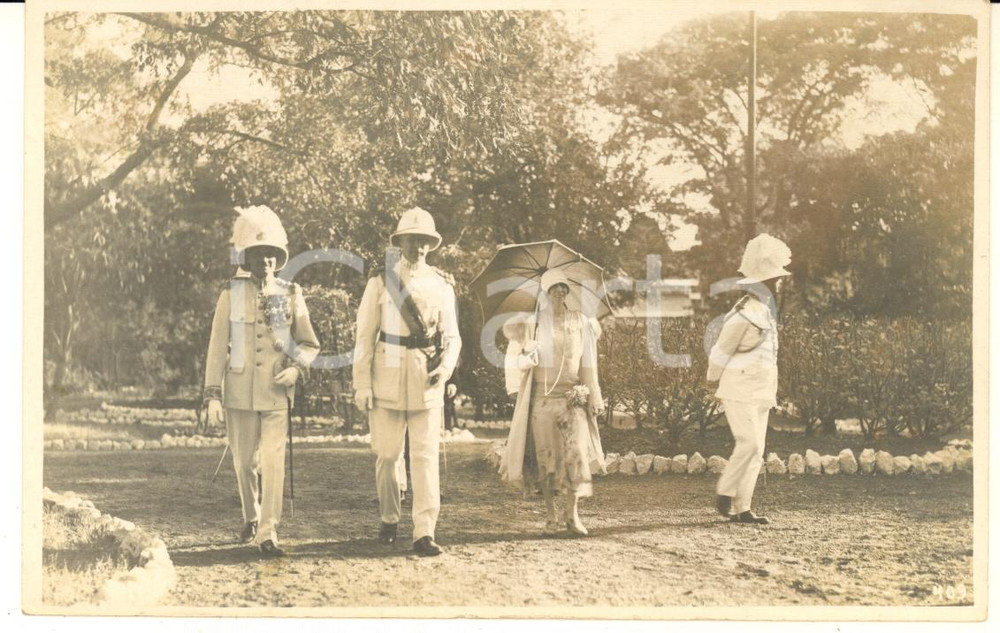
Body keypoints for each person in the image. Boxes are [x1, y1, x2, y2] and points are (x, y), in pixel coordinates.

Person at [203, 206, 320, 556]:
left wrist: (297, 368)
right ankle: (251, 515)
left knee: (272, 462)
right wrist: (212, 395)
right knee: (243, 463)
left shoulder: (292, 294)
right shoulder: (230, 294)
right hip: (238, 391)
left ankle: (268, 533)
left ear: (278, 258)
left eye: (271, 254)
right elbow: (215, 348)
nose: (265, 260)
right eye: (258, 254)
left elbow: (311, 344)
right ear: (246, 257)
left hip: (275, 392)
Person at [352, 207, 461, 556]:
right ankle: (388, 517)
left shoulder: (441, 285)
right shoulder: (380, 281)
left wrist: (445, 369)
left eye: (425, 241)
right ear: (400, 242)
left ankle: (424, 531)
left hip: (425, 378)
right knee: (386, 455)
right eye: (411, 240)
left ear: (432, 245)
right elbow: (364, 336)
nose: (418, 248)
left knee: (426, 457)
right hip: (385, 375)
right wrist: (361, 385)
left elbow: (453, 338)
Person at [500, 269, 606, 536]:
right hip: (542, 400)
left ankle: (572, 515)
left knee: (576, 455)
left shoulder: (581, 322)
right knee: (547, 459)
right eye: (554, 289)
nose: (559, 293)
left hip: (573, 398)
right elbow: (513, 361)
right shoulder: (530, 324)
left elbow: (589, 362)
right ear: (545, 294)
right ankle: (550, 516)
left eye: (563, 288)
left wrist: (593, 394)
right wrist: (528, 357)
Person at [706, 233, 791, 525]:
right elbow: (721, 350)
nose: (779, 284)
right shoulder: (743, 314)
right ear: (763, 284)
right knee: (750, 443)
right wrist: (711, 380)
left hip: (760, 390)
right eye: (774, 280)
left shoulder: (766, 313)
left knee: (757, 451)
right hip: (738, 388)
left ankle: (743, 508)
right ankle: (726, 491)